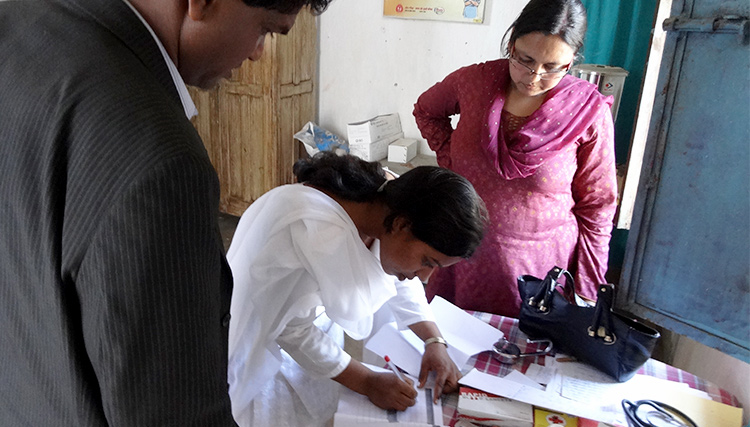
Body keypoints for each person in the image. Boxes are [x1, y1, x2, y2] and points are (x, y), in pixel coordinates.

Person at [0, 0, 331, 425]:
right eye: (266, 29)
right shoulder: (160, 159)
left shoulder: (19, 19)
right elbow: (172, 411)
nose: (258, 52)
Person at [226, 152, 487, 426]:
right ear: (401, 226)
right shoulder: (317, 229)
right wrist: (367, 381)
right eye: (427, 262)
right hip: (263, 343)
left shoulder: (389, 203)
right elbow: (290, 328)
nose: (424, 277)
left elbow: (399, 279)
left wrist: (434, 341)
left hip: (311, 332)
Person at [413, 0, 618, 317]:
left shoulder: (587, 112)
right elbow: (427, 111)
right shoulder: (473, 83)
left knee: (527, 353)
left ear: (572, 61)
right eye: (525, 60)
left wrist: (589, 288)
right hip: (465, 256)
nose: (534, 77)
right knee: (454, 348)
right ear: (511, 45)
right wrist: (452, 161)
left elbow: (598, 204)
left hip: (539, 269)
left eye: (553, 67)